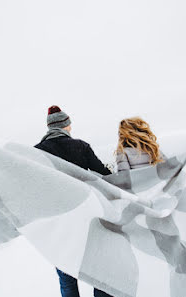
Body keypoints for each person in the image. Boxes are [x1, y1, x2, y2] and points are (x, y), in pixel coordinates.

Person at [34, 105, 113, 297]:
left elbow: (34, 186)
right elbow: (103, 174)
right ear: (65, 125)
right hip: (85, 216)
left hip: (58, 220)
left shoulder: (37, 152)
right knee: (99, 270)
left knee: (67, 275)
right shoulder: (81, 146)